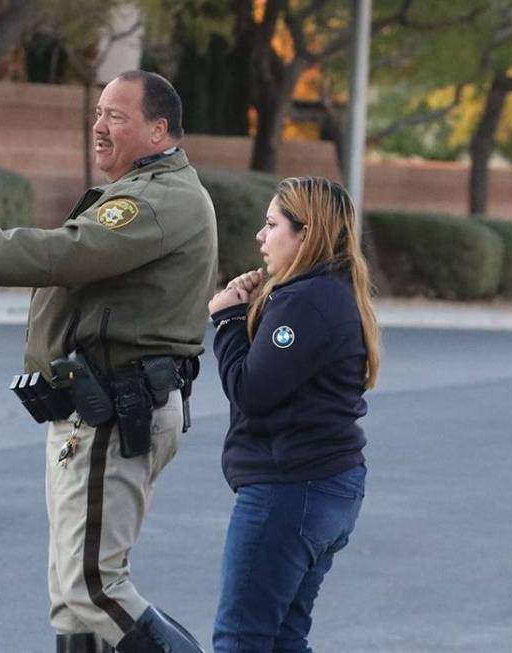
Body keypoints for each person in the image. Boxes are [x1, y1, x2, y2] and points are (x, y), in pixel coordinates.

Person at [0, 70, 216, 653]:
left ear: (158, 129)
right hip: (91, 409)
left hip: (117, 409)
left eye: (116, 116)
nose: (99, 126)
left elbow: (68, 252)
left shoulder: (162, 198)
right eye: (98, 112)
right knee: (72, 601)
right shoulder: (141, 191)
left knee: (94, 587)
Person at [206, 177, 379, 652]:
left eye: (272, 224)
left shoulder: (306, 301)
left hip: (291, 489)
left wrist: (225, 322)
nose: (261, 237)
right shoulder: (324, 292)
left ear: (306, 233)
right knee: (282, 640)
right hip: (324, 485)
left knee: (241, 641)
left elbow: (252, 391)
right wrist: (246, 312)